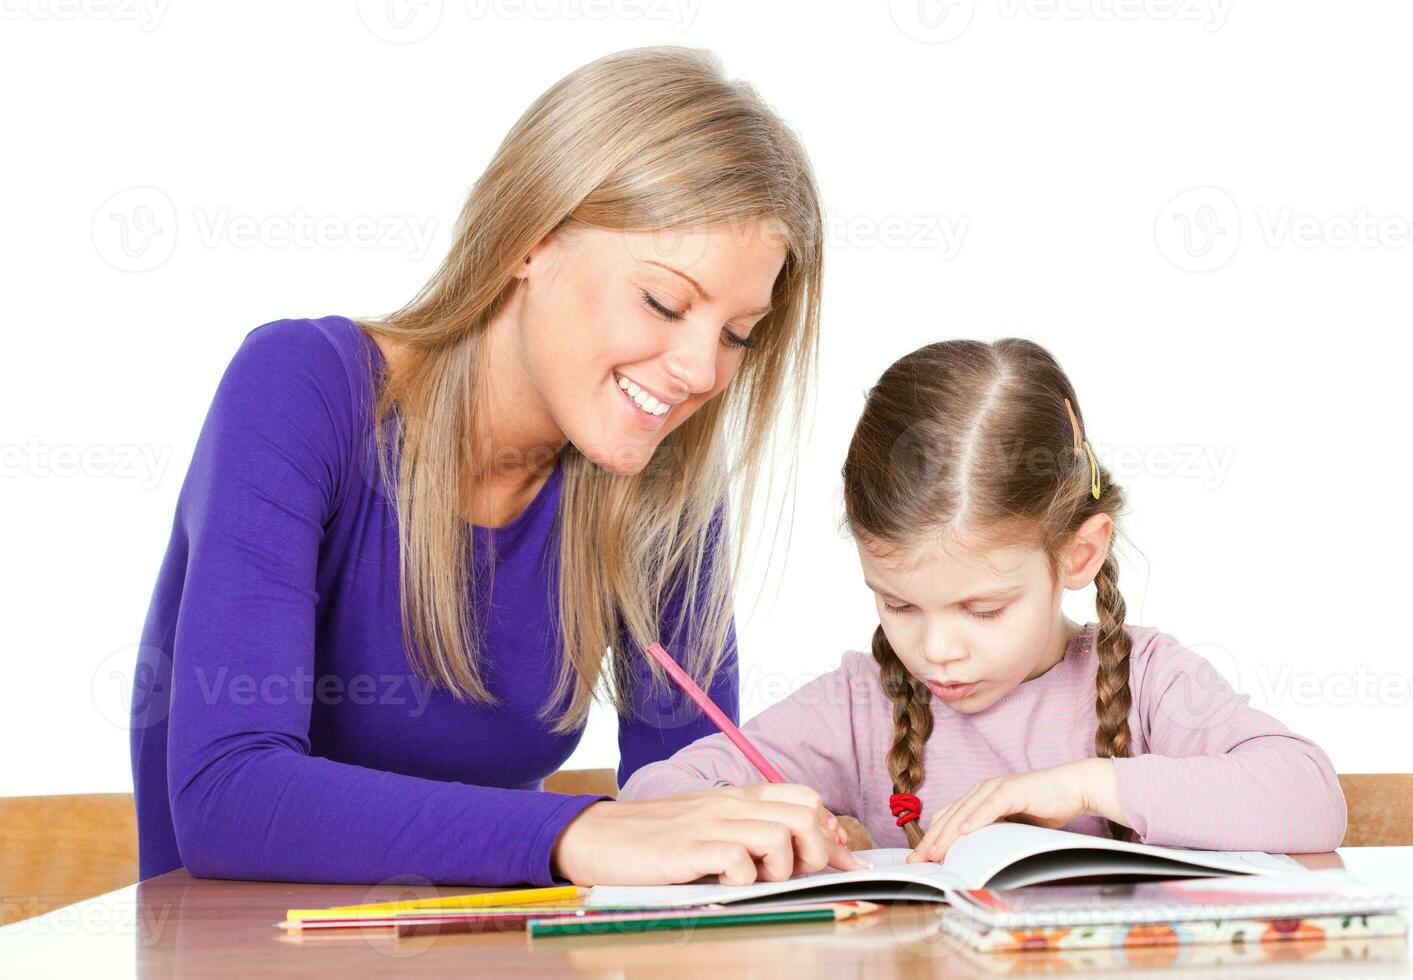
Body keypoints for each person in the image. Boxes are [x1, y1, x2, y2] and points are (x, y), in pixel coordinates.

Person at [130, 46, 864, 889]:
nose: (702, 371)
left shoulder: (662, 475)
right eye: (664, 302)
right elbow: (229, 796)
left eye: (738, 333)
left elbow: (687, 799)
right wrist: (578, 833)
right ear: (531, 242)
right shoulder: (301, 387)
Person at [621, 338, 1348, 866]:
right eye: (899, 606)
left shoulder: (1149, 682)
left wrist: (1083, 788)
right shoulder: (859, 707)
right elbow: (654, 795)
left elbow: (1310, 797)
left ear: (1078, 555)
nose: (937, 650)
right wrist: (759, 820)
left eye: (984, 610)